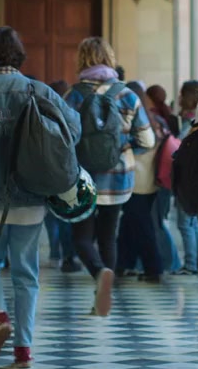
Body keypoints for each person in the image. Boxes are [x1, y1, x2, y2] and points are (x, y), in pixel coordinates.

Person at [0, 27, 81, 368]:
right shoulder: (37, 90)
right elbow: (74, 128)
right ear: (19, 55)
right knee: (26, 275)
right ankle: (23, 352)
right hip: (31, 196)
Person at [65, 37, 156, 316]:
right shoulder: (127, 95)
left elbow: (64, 138)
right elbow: (148, 140)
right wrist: (123, 146)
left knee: (81, 239)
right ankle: (105, 294)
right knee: (108, 238)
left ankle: (98, 274)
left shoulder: (74, 95)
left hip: (82, 178)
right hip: (118, 179)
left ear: (82, 59)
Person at [116, 80, 168, 282]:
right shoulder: (155, 120)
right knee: (129, 222)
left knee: (142, 225)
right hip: (150, 180)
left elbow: (132, 148)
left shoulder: (135, 122)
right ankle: (123, 263)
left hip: (135, 180)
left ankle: (154, 268)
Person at [45, 79, 82, 273]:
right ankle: (68, 255)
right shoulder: (72, 115)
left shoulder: (44, 112)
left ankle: (55, 254)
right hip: (68, 172)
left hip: (48, 171)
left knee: (51, 217)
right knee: (65, 216)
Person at [146, 84, 184, 274]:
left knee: (157, 221)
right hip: (166, 175)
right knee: (159, 219)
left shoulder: (153, 119)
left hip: (156, 177)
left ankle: (170, 261)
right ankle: (166, 260)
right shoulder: (169, 117)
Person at [174, 80, 198, 274]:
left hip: (188, 177)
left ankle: (191, 264)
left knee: (185, 223)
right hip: (195, 177)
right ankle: (196, 262)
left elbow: (181, 148)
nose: (179, 99)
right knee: (192, 222)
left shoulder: (192, 122)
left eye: (182, 94)